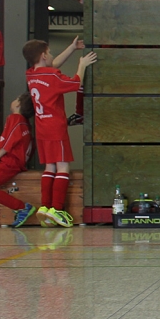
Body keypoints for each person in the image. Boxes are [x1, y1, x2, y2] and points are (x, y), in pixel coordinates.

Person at [22, 38, 97, 228]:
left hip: (41, 128)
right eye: (50, 53)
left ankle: (45, 207)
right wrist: (82, 65)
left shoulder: (31, 74)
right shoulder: (52, 76)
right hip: (56, 127)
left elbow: (52, 66)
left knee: (50, 167)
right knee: (63, 167)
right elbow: (75, 83)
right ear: (43, 55)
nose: (52, 56)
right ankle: (57, 209)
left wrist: (71, 48)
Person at [0, 93, 37, 228]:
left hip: (9, 162)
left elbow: (11, 139)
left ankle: (21, 207)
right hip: (15, 162)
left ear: (18, 104)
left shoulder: (15, 118)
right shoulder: (26, 123)